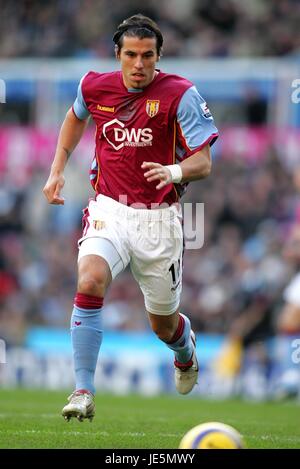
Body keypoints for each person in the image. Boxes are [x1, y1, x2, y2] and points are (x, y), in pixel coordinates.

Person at [43, 13, 218, 422]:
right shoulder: (94, 86)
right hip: (109, 208)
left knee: (163, 325)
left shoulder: (181, 94)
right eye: (131, 55)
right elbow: (74, 116)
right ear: (117, 55)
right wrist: (56, 168)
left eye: (148, 56)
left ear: (158, 57)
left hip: (159, 221)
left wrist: (173, 171)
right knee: (89, 279)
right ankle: (83, 389)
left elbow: (204, 162)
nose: (140, 64)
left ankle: (185, 351)